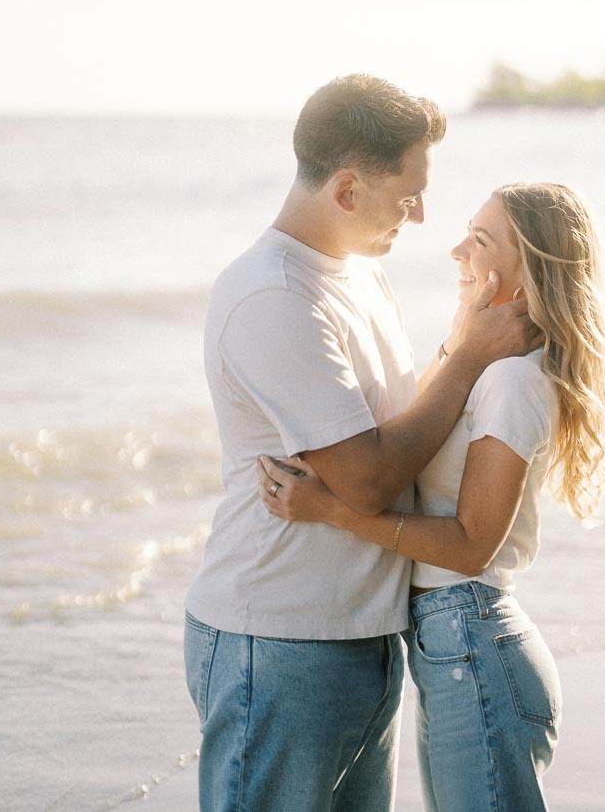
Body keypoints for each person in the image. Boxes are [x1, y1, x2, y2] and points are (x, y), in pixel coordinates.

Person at [184, 75, 542, 812]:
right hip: (279, 639)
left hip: (365, 630)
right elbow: (368, 479)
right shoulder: (273, 296)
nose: (419, 216)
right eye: (407, 195)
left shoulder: (360, 277)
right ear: (346, 190)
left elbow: (407, 424)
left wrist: (469, 335)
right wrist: (471, 355)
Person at [259, 181, 605, 812]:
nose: (455, 251)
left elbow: (472, 546)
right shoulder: (484, 366)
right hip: (455, 647)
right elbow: (408, 439)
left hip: (472, 642)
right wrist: (462, 341)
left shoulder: (511, 382)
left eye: (478, 240)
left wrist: (332, 509)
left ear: (528, 274)